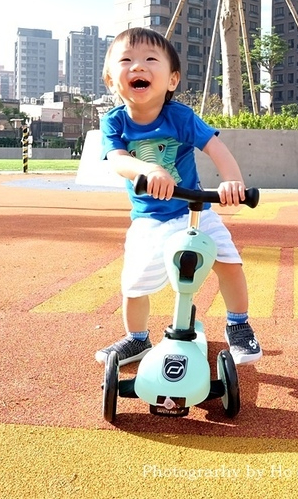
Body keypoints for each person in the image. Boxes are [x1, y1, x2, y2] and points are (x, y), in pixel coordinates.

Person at [94, 26, 261, 367]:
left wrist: (232, 182)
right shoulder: (114, 123)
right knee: (135, 283)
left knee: (228, 262)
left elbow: (216, 148)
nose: (137, 67)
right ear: (112, 81)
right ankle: (136, 338)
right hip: (149, 219)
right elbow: (117, 159)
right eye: (126, 60)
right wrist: (148, 171)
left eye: (149, 60)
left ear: (171, 80)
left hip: (193, 210)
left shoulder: (181, 117)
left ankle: (238, 324)